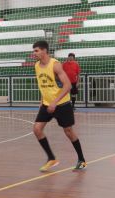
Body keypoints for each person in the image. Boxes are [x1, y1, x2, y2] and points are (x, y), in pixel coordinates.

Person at [32, 41, 86, 172]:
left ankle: (81, 160)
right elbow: (43, 86)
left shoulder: (55, 65)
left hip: (61, 104)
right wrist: (42, 103)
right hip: (47, 104)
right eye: (34, 51)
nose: (34, 53)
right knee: (37, 129)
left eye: (36, 51)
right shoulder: (37, 66)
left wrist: (55, 102)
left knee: (68, 132)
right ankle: (51, 158)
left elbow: (67, 85)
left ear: (44, 51)